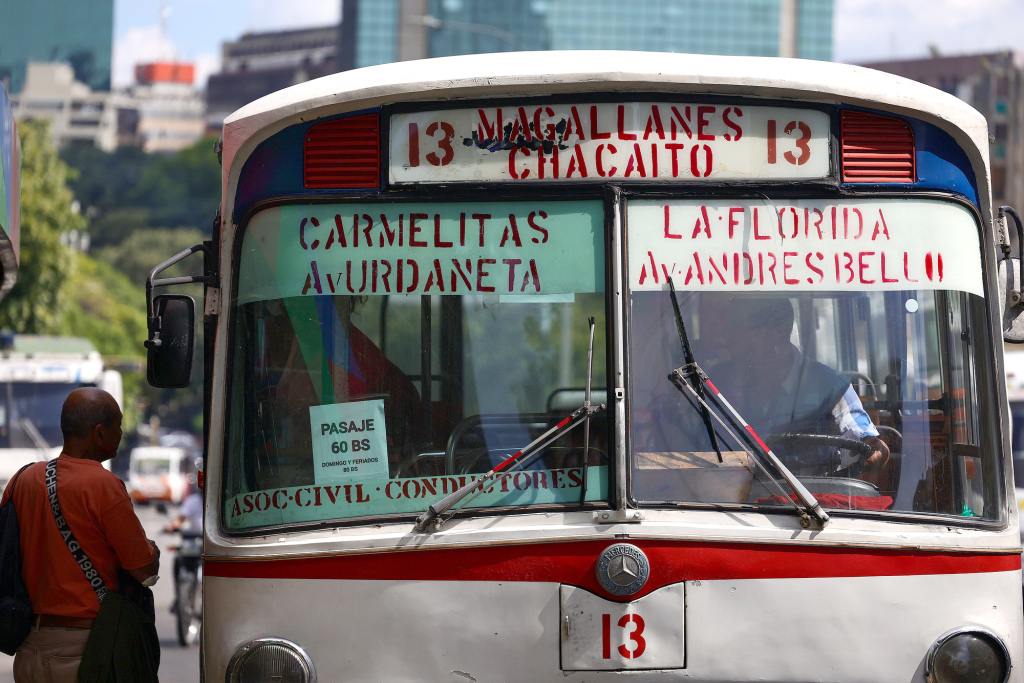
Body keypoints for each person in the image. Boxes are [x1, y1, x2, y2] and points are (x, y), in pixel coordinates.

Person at [1, 388, 159, 683]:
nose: (121, 432)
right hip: (85, 650)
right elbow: (144, 570)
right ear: (99, 433)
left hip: (27, 650)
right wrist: (152, 550)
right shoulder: (103, 484)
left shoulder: (22, 479)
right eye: (118, 425)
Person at [697, 294, 890, 476]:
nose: (727, 338)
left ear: (776, 331)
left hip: (811, 495)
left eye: (738, 329)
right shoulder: (714, 382)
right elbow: (689, 442)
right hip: (729, 494)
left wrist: (875, 448)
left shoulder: (828, 385)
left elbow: (864, 439)